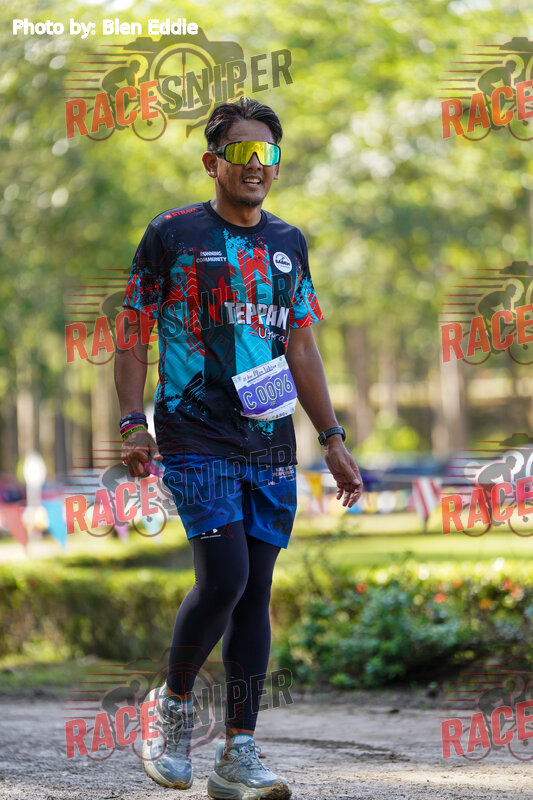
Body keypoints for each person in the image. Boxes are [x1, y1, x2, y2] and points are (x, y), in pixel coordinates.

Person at [115, 96, 363, 800]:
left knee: (255, 592)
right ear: (212, 162)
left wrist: (332, 438)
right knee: (223, 578)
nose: (257, 165)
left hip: (270, 439)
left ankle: (239, 752)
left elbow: (301, 345)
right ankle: (170, 707)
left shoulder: (289, 242)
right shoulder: (172, 233)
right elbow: (132, 330)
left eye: (268, 154)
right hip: (194, 430)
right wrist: (132, 422)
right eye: (243, 153)